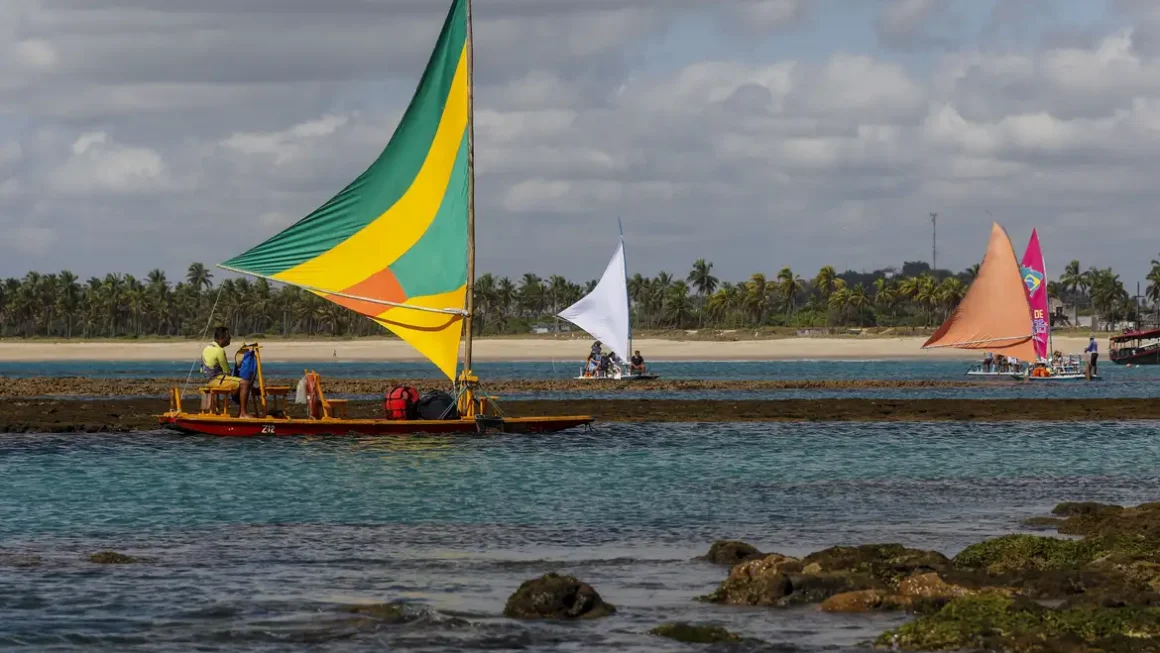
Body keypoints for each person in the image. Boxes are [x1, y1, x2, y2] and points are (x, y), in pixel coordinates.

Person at [200, 326, 252, 418]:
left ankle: (241, 411)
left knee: (240, 382)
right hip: (216, 380)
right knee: (245, 383)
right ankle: (243, 414)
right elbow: (226, 371)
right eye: (228, 337)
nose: (230, 339)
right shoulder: (219, 350)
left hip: (208, 380)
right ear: (221, 338)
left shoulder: (207, 348)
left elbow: (202, 369)